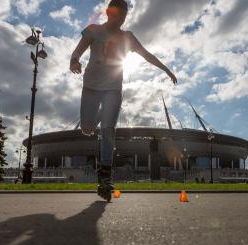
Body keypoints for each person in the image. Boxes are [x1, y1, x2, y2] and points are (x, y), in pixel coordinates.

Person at [69, 0, 177, 202]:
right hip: (91, 87)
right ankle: (96, 120)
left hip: (113, 89)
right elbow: (77, 51)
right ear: (109, 13)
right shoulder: (93, 30)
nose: (122, 20)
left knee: (109, 129)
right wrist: (74, 61)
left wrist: (166, 69)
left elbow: (147, 55)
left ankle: (105, 178)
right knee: (87, 128)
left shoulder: (128, 37)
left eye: (125, 16)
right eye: (120, 15)